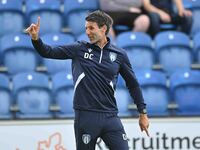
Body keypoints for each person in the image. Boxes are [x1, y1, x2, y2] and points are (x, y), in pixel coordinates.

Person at [25, 10, 149, 150]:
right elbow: (47, 51)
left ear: (103, 29)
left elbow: (133, 84)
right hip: (85, 116)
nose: (87, 32)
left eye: (91, 28)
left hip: (110, 116)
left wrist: (142, 113)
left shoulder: (119, 55)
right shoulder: (79, 49)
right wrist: (35, 38)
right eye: (86, 28)